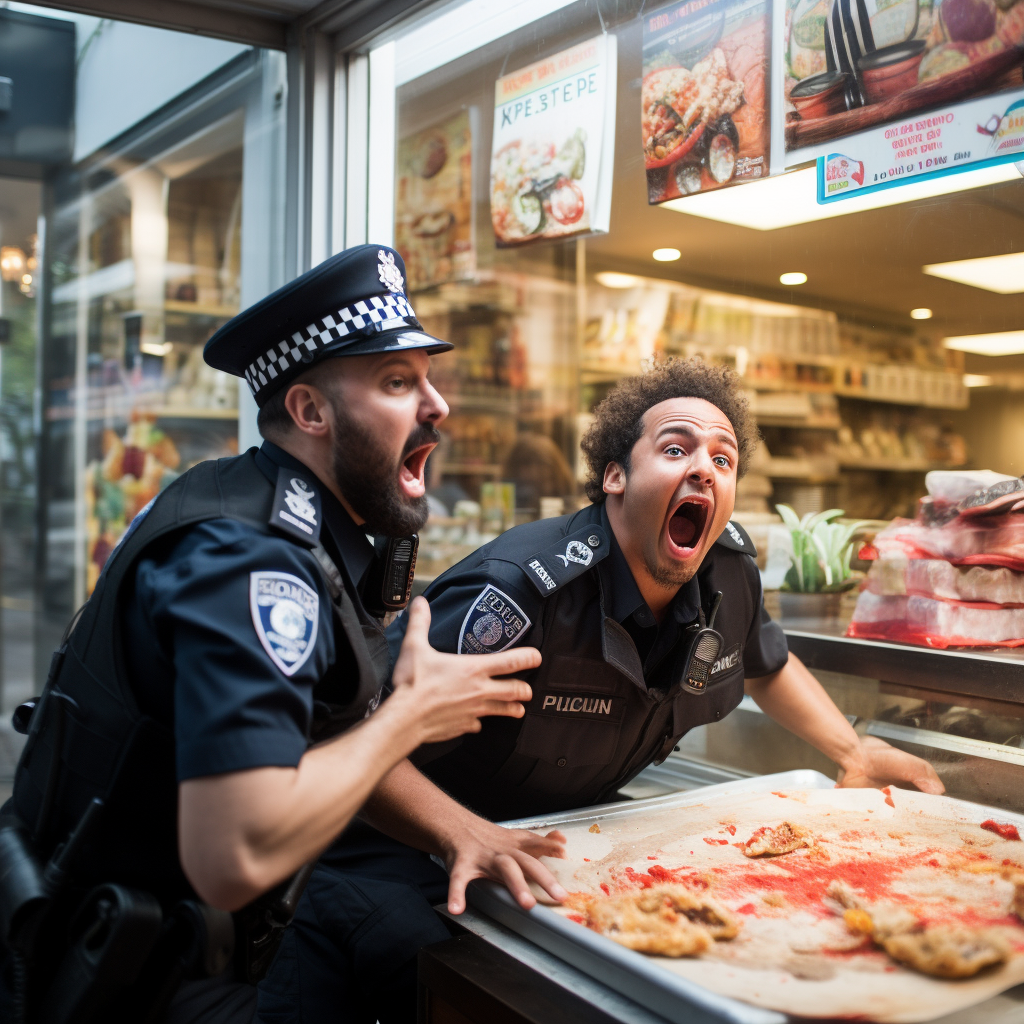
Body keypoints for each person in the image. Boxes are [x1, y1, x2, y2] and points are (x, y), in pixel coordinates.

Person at [268, 358, 944, 1022]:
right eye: (676, 447)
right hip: (392, 864)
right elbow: (350, 733)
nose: (703, 468)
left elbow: (766, 663)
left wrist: (851, 750)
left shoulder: (727, 575)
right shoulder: (521, 591)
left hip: (546, 863)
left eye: (723, 458)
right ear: (614, 477)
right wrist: (460, 835)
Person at [0, 244, 565, 1024]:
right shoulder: (249, 563)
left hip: (153, 943)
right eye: (398, 382)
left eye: (428, 378)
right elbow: (232, 857)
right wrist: (412, 714)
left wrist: (458, 832)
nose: (436, 405)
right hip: (122, 977)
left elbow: (317, 741)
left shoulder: (265, 504)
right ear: (310, 412)